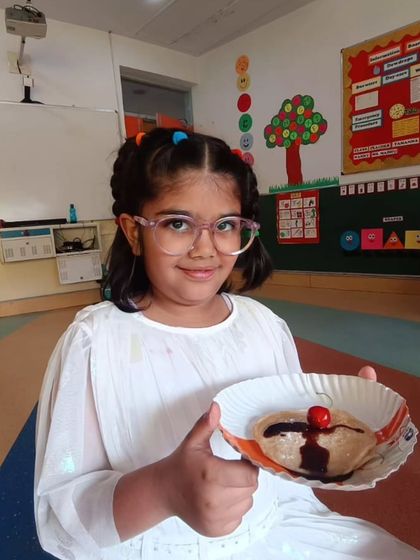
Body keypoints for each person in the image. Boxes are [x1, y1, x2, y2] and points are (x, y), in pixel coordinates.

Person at [34, 128, 419, 560]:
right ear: (133, 232)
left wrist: (338, 424)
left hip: (277, 526)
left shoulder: (263, 325)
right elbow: (63, 522)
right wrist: (164, 489)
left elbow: (285, 439)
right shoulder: (95, 342)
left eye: (226, 225)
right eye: (177, 223)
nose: (205, 249)